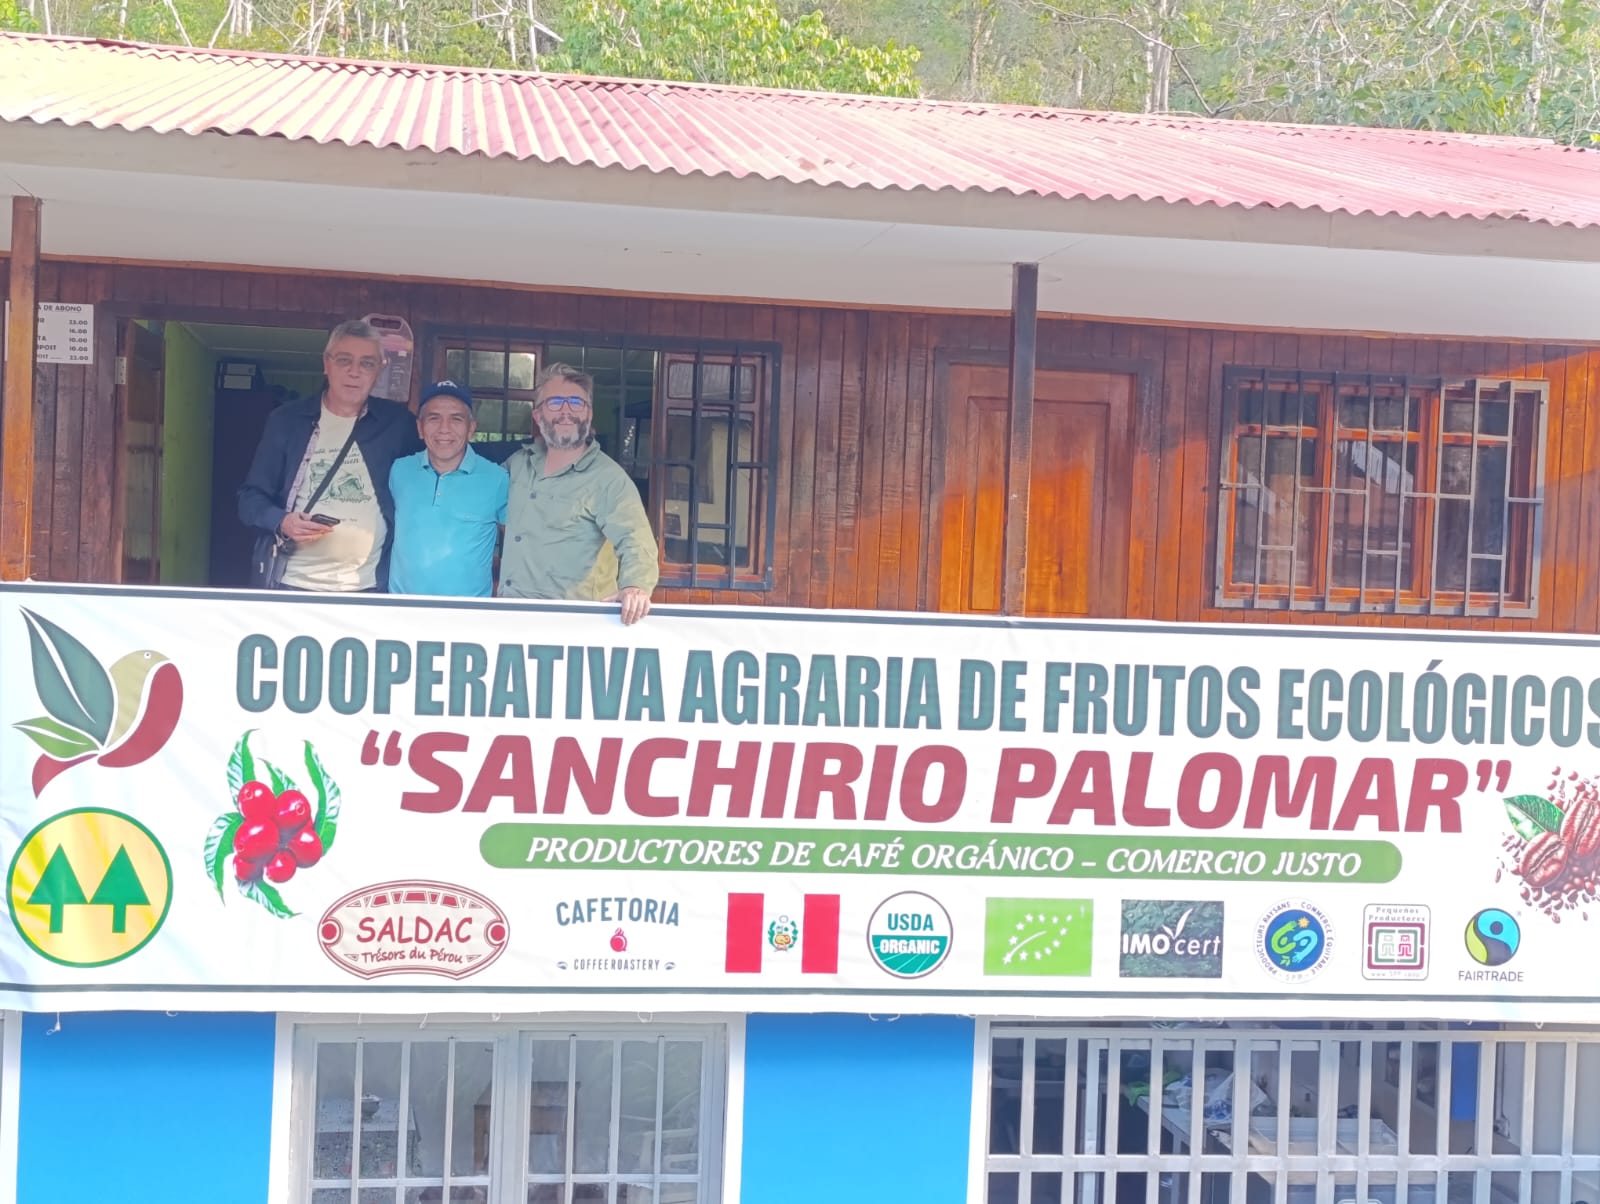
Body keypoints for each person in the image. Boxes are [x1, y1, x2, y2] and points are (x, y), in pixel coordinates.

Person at [238, 319, 421, 592]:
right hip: (294, 585)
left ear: (380, 370)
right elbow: (249, 499)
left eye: (367, 363)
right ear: (326, 363)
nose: (354, 372)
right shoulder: (287, 421)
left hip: (369, 587)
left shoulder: (397, 424)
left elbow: (435, 466)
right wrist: (281, 521)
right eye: (344, 360)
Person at [499, 363, 659, 624]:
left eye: (576, 402)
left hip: (573, 630)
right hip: (509, 620)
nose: (566, 411)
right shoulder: (518, 463)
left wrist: (635, 586)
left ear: (589, 414)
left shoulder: (609, 479)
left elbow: (636, 541)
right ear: (538, 416)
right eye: (555, 402)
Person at [388, 381, 509, 597]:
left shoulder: (497, 479)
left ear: (471, 428)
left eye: (456, 419)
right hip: (402, 612)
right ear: (420, 428)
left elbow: (519, 544)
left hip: (467, 617)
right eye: (434, 418)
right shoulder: (399, 471)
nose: (445, 429)